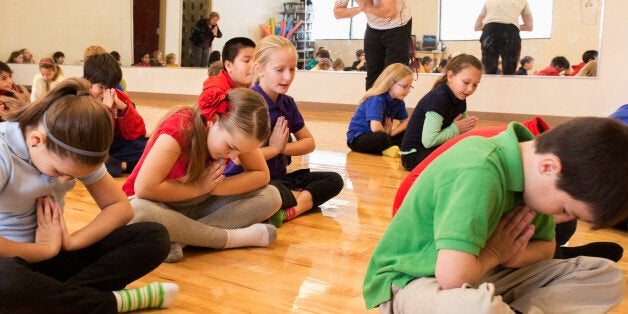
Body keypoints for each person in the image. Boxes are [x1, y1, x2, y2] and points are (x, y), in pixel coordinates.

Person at [363, 117, 628, 313]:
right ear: (549, 167)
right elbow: (452, 278)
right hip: (415, 281)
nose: (564, 218)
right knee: (476, 308)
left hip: (481, 272)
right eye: (566, 209)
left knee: (606, 274)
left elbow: (547, 248)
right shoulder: (478, 169)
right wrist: (495, 254)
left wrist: (511, 255)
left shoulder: (535, 178)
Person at [0, 78, 178, 312]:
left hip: (52, 257)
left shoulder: (72, 144)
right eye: (59, 171)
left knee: (155, 236)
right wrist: (43, 249)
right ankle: (110, 303)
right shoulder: (4, 152)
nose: (62, 180)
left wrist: (71, 242)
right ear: (36, 141)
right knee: (8, 279)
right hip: (13, 262)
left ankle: (53, 301)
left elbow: (120, 207)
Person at [122, 87, 281, 263]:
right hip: (150, 203)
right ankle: (229, 239)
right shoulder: (179, 129)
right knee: (137, 211)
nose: (234, 157)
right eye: (231, 147)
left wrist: (216, 187)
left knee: (271, 196)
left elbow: (261, 175)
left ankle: (179, 238)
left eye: (241, 151)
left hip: (193, 203)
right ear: (214, 120)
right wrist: (199, 187)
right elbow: (144, 189)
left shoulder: (236, 136)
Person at [224, 35, 344, 227]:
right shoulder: (248, 103)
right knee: (272, 192)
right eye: (279, 70)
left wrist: (281, 149)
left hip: (279, 180)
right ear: (259, 69)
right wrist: (273, 148)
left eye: (292, 69)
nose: (287, 77)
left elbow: (309, 143)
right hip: (250, 182)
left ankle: (291, 211)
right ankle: (291, 202)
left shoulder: (287, 103)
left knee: (334, 180)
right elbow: (238, 158)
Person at [400, 54, 481, 170]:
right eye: (466, 82)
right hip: (414, 156)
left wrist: (462, 130)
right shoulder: (438, 98)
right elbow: (429, 141)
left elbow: (461, 132)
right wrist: (456, 129)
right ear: (451, 76)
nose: (470, 89)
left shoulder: (461, 96)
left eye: (475, 85)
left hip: (433, 149)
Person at [83, 53, 148, 178]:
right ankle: (125, 166)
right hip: (91, 147)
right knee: (84, 156)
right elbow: (94, 141)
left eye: (110, 87)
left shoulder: (119, 96)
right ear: (87, 82)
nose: (106, 93)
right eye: (101, 87)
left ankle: (117, 165)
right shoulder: (81, 99)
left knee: (149, 145)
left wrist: (123, 108)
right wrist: (106, 108)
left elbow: (138, 134)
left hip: (112, 148)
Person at [334, 0, 412, 90]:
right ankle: (371, 103)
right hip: (373, 26)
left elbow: (391, 12)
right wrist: (361, 7)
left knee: (394, 75)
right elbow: (337, 12)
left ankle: (392, 103)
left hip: (397, 25)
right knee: (373, 76)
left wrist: (367, 7)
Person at [346, 63, 411, 157]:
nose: (408, 90)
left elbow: (406, 122)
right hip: (358, 139)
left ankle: (387, 147)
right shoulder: (377, 99)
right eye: (405, 86)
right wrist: (386, 134)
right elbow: (375, 128)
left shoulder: (399, 102)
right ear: (391, 84)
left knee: (407, 131)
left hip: (382, 134)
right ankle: (387, 148)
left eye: (410, 87)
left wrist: (392, 132)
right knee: (382, 138)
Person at [474, 0, 533, 75]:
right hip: (510, 32)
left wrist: (492, 23)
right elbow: (529, 26)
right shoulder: (522, 1)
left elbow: (477, 27)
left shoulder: (489, 1)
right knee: (509, 71)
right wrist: (513, 24)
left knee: (488, 70)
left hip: (489, 31)